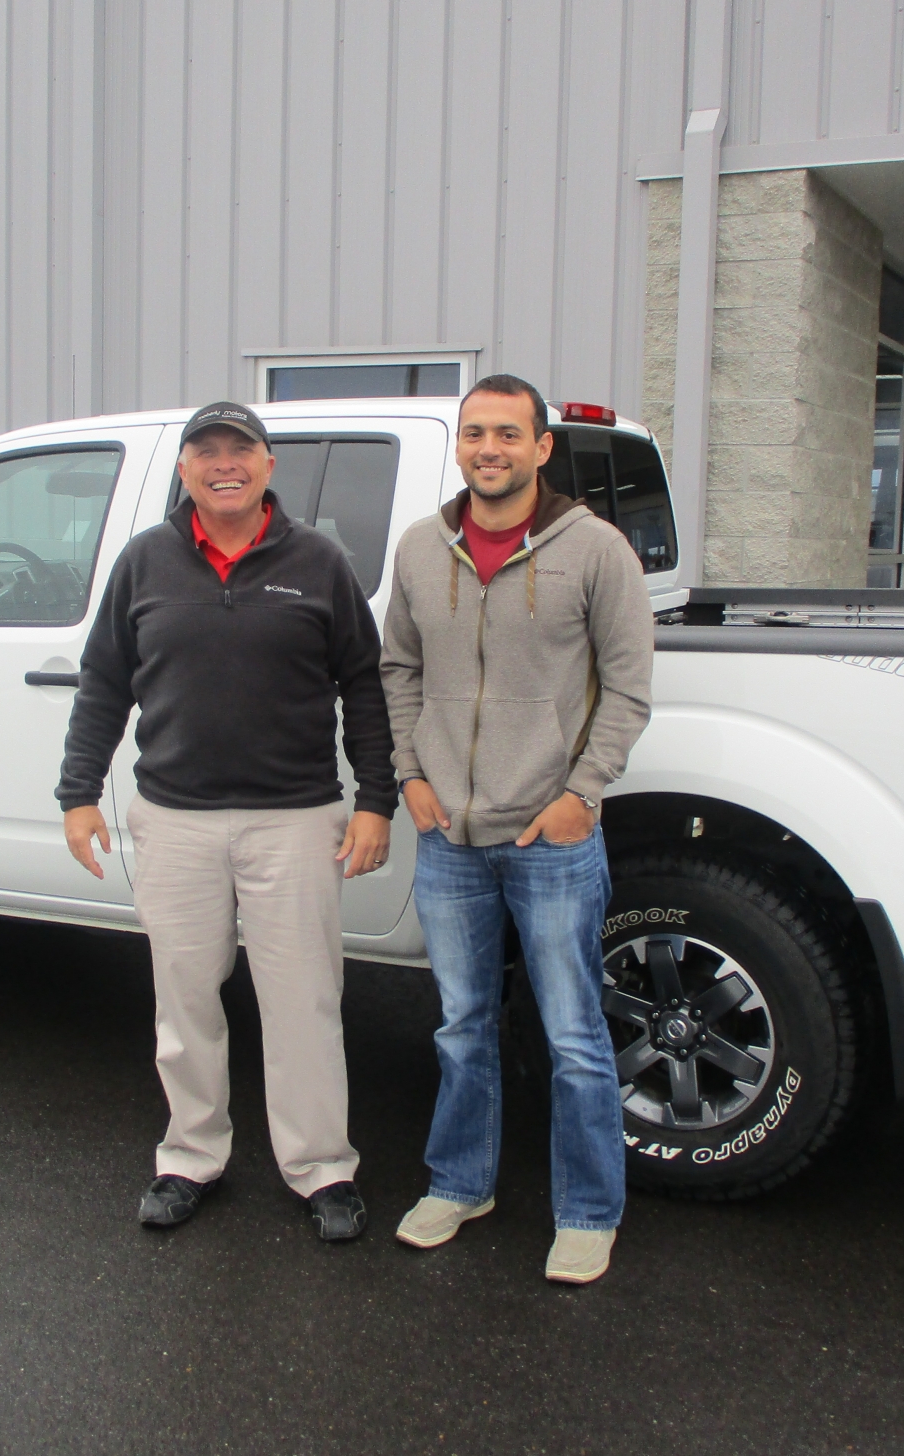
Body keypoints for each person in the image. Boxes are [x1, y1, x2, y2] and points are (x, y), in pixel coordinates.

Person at [56, 400, 396, 1241]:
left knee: (304, 1004)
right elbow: (104, 682)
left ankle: (322, 1169)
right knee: (184, 1003)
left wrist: (376, 800)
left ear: (268, 464)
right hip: (176, 821)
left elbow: (364, 685)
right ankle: (189, 1157)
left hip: (296, 821)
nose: (224, 465)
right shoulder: (145, 562)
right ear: (185, 470)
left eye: (239, 450)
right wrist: (78, 793)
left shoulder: (319, 563)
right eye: (205, 452)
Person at [380, 373, 654, 1284]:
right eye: (474, 434)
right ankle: (460, 1184)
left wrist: (583, 792)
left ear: (541, 448)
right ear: (459, 446)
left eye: (507, 433)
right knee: (461, 1026)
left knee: (574, 1035)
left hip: (551, 838)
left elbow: (628, 689)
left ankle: (588, 1212)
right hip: (449, 841)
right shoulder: (422, 548)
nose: (488, 449)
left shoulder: (596, 550)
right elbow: (398, 670)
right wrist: (411, 775)